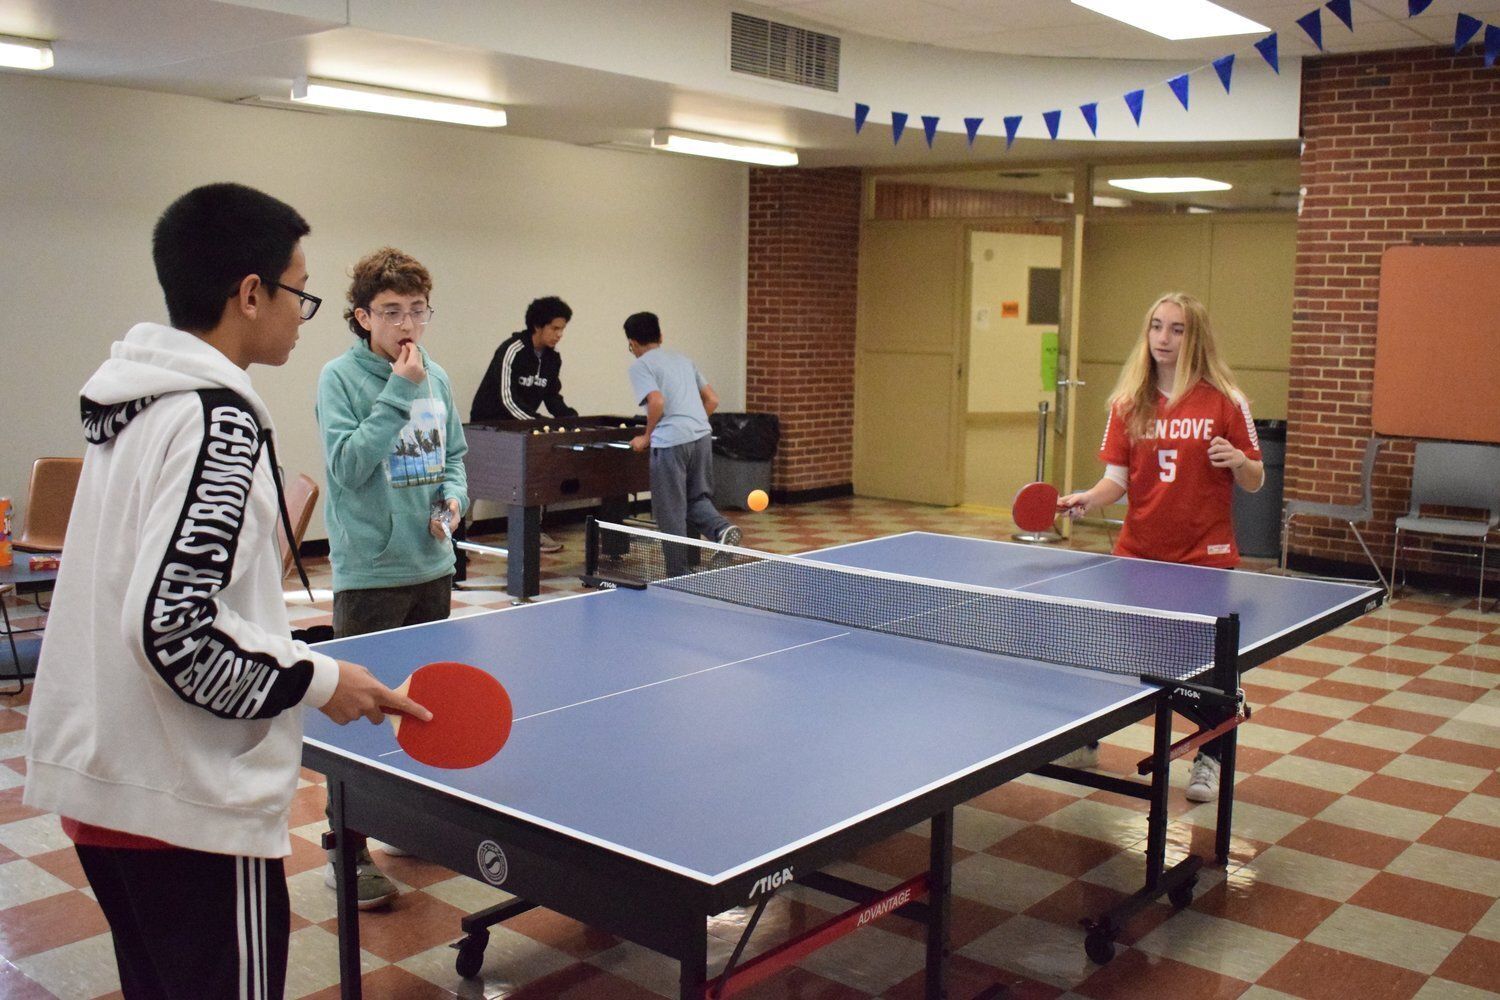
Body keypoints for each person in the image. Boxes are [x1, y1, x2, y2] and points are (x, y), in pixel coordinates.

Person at [21, 183, 427, 1000]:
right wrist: (322, 680)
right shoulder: (214, 420)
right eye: (299, 292)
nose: (299, 313)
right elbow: (175, 631)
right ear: (250, 294)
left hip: (111, 786)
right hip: (185, 806)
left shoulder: (134, 405)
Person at [1057, 292, 1264, 802]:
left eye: (1176, 329)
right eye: (1156, 327)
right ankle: (1087, 740)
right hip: (1139, 553)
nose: (1164, 339)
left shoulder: (1226, 400)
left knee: (1209, 670)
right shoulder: (1127, 401)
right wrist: (1088, 496)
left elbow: (1256, 479)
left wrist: (1238, 459)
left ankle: (1209, 759)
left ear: (1195, 338)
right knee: (1118, 651)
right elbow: (1116, 480)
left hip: (1205, 558)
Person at [315, 247, 469, 907]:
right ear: (362, 317)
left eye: (417, 310)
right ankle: (345, 853)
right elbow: (349, 467)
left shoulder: (436, 373)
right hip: (371, 575)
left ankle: (406, 826)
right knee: (360, 718)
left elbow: (452, 457)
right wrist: (397, 391)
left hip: (431, 567)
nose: (407, 323)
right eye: (390, 311)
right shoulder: (340, 379)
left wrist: (452, 503)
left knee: (420, 710)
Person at [623, 311, 740, 574]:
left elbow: (657, 401)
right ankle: (722, 530)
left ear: (632, 343)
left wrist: (646, 436)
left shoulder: (640, 366)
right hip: (701, 435)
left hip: (671, 443)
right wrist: (692, 424)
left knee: (670, 509)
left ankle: (677, 573)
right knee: (696, 498)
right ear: (660, 336)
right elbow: (712, 400)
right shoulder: (683, 360)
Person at [470, 295, 578, 553]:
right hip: (488, 426)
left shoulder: (553, 360)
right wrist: (539, 423)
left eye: (562, 329)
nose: (559, 334)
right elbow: (506, 399)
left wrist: (571, 419)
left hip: (522, 428)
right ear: (537, 326)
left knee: (535, 474)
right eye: (555, 328)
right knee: (471, 485)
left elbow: (552, 398)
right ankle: (456, 536)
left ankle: (534, 533)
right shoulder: (512, 349)